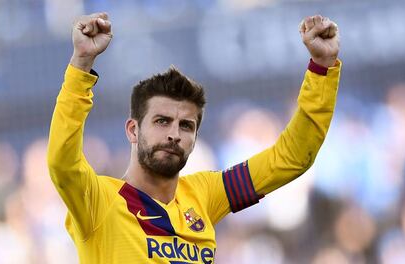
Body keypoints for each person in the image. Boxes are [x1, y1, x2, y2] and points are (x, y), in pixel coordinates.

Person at [47, 12, 341, 263]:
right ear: (133, 130)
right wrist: (81, 65)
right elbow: (63, 162)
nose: (174, 134)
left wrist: (322, 67)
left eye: (186, 126)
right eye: (162, 121)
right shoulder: (99, 201)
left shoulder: (204, 195)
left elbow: (290, 158)